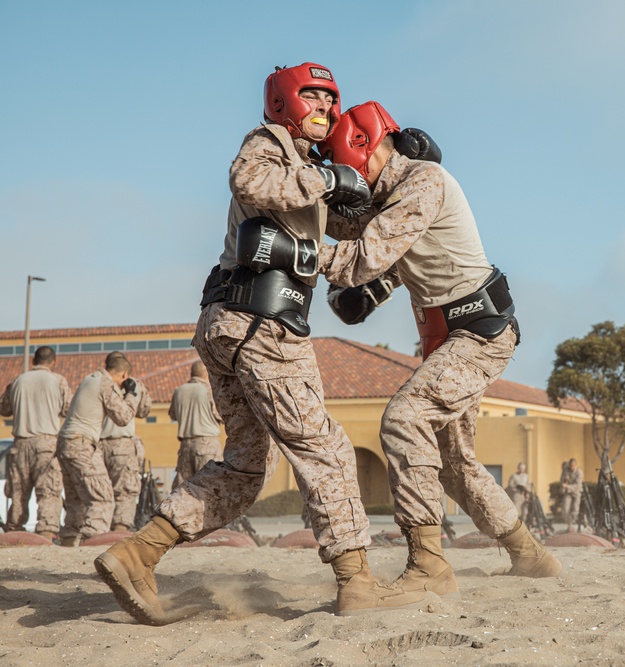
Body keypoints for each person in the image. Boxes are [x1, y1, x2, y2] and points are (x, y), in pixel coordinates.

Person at [94, 63, 432, 625]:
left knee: (247, 468)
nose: (324, 109)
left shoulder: (307, 169)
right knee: (323, 447)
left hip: (231, 327)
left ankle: (138, 552)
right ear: (283, 102)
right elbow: (248, 181)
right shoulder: (268, 144)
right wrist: (329, 182)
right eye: (313, 97)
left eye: (331, 100)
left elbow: (351, 241)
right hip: (264, 328)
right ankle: (357, 583)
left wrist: (388, 179)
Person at [320, 101, 561, 600]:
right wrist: (297, 195)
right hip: (447, 340)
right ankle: (531, 556)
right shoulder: (384, 198)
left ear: (360, 146)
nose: (339, 175)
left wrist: (300, 254)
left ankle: (429, 566)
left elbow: (362, 258)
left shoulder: (422, 182)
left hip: (480, 332)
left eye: (338, 163)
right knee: (453, 463)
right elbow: (335, 224)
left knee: (404, 419)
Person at [58, 353, 141, 546]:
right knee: (103, 498)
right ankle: (92, 545)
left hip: (64, 442)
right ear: (124, 375)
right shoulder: (106, 383)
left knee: (77, 498)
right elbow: (123, 417)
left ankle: (69, 541)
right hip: (82, 444)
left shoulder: (89, 379)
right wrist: (131, 394)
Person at [0, 346, 72, 539]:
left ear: (33, 360)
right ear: (54, 362)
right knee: (48, 489)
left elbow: (4, 409)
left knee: (18, 490)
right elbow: (68, 409)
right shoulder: (58, 381)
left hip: (20, 442)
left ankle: (14, 530)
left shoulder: (17, 381)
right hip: (47, 442)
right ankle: (47, 530)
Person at [98, 352, 152, 532]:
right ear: (125, 372)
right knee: (125, 492)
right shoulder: (133, 384)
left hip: (97, 446)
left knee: (100, 492)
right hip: (122, 444)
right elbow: (144, 411)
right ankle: (119, 532)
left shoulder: (97, 383)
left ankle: (99, 532)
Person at [168, 361, 224, 490]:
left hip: (185, 446)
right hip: (207, 445)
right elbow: (222, 415)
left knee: (184, 490)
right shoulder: (209, 390)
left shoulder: (179, 391)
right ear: (207, 373)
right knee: (211, 489)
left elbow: (173, 415)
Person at [560, 458, 583, 532]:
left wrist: (568, 486)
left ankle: (573, 524)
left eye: (573, 466)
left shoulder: (579, 472)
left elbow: (578, 485)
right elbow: (561, 480)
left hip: (576, 492)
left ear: (576, 465)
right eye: (571, 466)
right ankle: (569, 525)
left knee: (575, 509)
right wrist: (565, 478)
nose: (572, 467)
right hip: (568, 492)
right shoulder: (566, 470)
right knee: (565, 508)